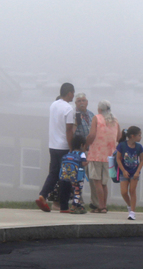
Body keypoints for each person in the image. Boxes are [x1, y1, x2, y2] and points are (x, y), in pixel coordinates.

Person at [36, 83, 76, 212]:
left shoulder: (53, 105)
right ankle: (64, 206)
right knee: (66, 176)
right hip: (64, 146)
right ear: (69, 92)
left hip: (53, 145)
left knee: (53, 173)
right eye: (73, 93)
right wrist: (72, 148)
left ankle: (43, 195)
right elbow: (69, 130)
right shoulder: (69, 108)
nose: (73, 96)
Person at [85, 100, 120, 213]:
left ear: (99, 109)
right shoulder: (115, 120)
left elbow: (92, 134)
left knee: (97, 181)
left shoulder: (97, 117)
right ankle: (104, 206)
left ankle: (100, 206)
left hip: (96, 154)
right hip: (110, 155)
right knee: (104, 183)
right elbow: (119, 136)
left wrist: (85, 144)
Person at [115, 126, 143, 220]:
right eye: (139, 135)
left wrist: (137, 171)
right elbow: (118, 159)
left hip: (134, 172)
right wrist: (123, 171)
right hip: (124, 171)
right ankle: (129, 205)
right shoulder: (122, 145)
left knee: (132, 191)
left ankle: (132, 212)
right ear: (132, 136)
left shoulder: (139, 147)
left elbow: (142, 160)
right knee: (124, 192)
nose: (141, 137)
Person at [57, 135, 88, 214]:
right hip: (78, 177)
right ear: (81, 145)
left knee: (73, 191)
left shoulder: (70, 153)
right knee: (77, 191)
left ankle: (79, 205)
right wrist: (89, 161)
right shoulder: (82, 154)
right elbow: (84, 163)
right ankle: (73, 207)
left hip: (69, 177)